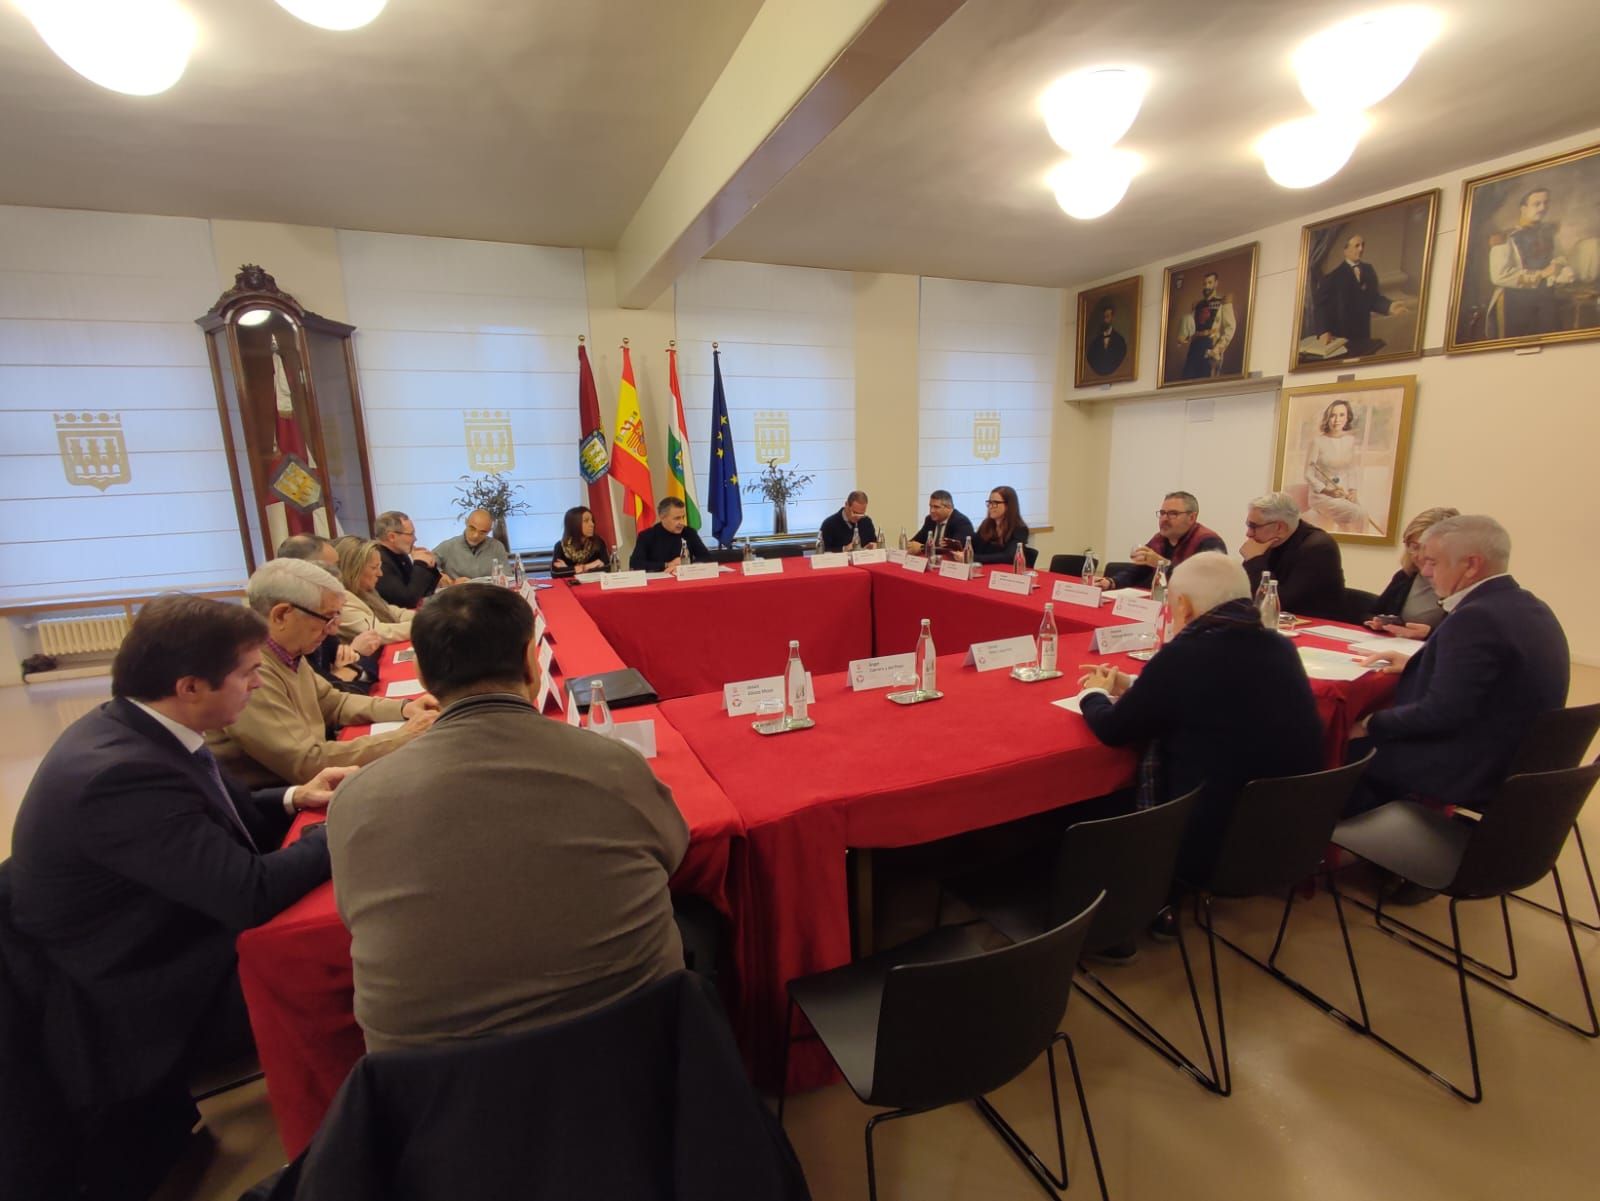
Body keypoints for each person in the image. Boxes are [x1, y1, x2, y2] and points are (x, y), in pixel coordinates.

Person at [7, 595, 351, 1200]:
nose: (257, 684)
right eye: (247, 673)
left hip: (165, 930)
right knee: (341, 960)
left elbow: (211, 820)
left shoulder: (135, 727)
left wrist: (295, 798)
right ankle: (345, 1144)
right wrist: (349, 823)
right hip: (141, 979)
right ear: (190, 686)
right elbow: (249, 893)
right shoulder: (119, 776)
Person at [324, 583, 689, 1053]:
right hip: (636, 1050)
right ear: (531, 664)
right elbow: (673, 854)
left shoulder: (356, 799)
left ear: (422, 675)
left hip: (432, 1081)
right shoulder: (615, 764)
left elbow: (353, 914)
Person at [1077, 553, 1324, 883]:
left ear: (1183, 606)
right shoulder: (1280, 647)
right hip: (1287, 833)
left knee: (1091, 812)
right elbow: (1218, 691)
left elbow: (1114, 729)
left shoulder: (1184, 655)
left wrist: (1092, 693)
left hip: (1208, 842)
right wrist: (1135, 684)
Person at [1349, 515, 1570, 816]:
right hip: (1520, 761)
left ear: (1471, 565)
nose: (1425, 572)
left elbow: (1439, 714)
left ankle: (1339, 837)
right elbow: (1490, 677)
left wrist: (1369, 722)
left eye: (1433, 562)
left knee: (1346, 747)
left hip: (1473, 768)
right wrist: (1419, 663)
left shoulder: (1476, 618)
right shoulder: (1529, 605)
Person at [207, 558, 438, 787]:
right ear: (281, 615)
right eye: (328, 617)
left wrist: (404, 708)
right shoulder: (249, 673)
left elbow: (333, 702)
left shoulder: (287, 651)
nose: (334, 629)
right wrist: (402, 737)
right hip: (280, 799)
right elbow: (307, 763)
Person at [275, 534, 382, 694]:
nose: (334, 628)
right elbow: (336, 694)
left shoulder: (322, 620)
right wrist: (348, 668)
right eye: (334, 566)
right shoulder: (294, 638)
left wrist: (350, 668)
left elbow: (369, 666)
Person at [1240, 490, 1345, 620]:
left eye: (1254, 526)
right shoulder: (1268, 542)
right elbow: (1242, 594)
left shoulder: (1319, 548)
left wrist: (1254, 560)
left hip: (1316, 624)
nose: (1249, 534)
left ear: (1280, 527)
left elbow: (1279, 603)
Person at [1489, 187, 1575, 338]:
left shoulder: (1549, 233)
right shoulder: (1504, 237)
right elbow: (1499, 276)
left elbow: (1560, 257)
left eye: (1546, 203)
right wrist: (1542, 274)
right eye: (1537, 204)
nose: (1543, 208)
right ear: (1523, 208)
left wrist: (1559, 267)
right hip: (1515, 303)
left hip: (1546, 300)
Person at [1363, 505, 1459, 637]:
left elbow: (1466, 637)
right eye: (1415, 547)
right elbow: (1371, 613)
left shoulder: (1463, 587)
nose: (1420, 556)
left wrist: (1429, 634)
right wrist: (1380, 623)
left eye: (1427, 548)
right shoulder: (1405, 576)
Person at [1099, 490, 1226, 589]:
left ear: (1192, 517)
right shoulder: (1159, 539)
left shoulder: (1209, 542)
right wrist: (1111, 582)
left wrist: (1162, 564)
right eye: (1162, 513)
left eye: (1173, 514)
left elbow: (1206, 584)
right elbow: (1138, 570)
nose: (1164, 519)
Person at [1313, 232, 1408, 353]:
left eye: (1362, 245)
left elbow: (1373, 298)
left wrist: (1390, 306)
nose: (1361, 249)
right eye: (1357, 246)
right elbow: (1320, 305)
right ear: (1345, 250)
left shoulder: (1368, 270)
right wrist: (1323, 331)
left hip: (1363, 333)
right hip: (1341, 336)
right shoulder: (1333, 277)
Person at [1303, 398, 1368, 532]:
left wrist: (1353, 491)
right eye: (1333, 415)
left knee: (1362, 514)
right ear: (1327, 418)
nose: (1337, 420)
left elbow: (1352, 469)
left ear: (1347, 417)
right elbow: (1308, 474)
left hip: (1342, 493)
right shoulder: (1317, 442)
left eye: (1341, 415)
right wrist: (1328, 491)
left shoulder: (1350, 441)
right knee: (1358, 513)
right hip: (1321, 496)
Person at [337, 538, 414, 644]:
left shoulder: (366, 591)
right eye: (374, 568)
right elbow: (379, 633)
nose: (380, 574)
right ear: (353, 570)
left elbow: (392, 612)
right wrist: (421, 625)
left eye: (379, 567)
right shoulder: (342, 601)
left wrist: (422, 617)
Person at [374, 510, 441, 609]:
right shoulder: (378, 560)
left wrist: (429, 565)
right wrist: (420, 564)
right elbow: (407, 601)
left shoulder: (401, 554)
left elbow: (426, 592)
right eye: (411, 534)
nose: (415, 539)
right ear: (392, 537)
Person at [1177, 271, 1237, 380]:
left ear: (1216, 283)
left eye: (1210, 283)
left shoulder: (1222, 302)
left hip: (1210, 347)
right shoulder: (1197, 305)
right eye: (1204, 283)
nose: (1207, 286)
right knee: (1187, 380)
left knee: (1205, 381)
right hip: (1194, 348)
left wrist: (1218, 348)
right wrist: (1183, 336)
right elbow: (1190, 328)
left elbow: (1230, 327)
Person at [629, 496, 712, 574]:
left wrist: (686, 565)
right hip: (659, 580)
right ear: (662, 517)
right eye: (677, 518)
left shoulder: (689, 533)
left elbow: (707, 558)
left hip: (684, 578)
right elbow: (635, 564)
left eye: (683, 517)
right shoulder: (647, 536)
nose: (682, 523)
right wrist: (667, 565)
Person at [432, 508, 510, 582]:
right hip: (457, 590)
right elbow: (427, 566)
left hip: (488, 590)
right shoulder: (448, 546)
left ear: (489, 531)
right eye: (472, 528)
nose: (475, 535)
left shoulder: (497, 547)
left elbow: (508, 577)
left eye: (482, 532)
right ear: (466, 522)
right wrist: (446, 580)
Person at [969, 485, 1030, 564]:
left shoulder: (1020, 529)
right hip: (984, 568)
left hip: (1005, 570)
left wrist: (973, 558)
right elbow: (974, 546)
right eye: (989, 502)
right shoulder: (986, 524)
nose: (990, 507)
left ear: (1008, 505)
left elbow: (1009, 557)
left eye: (995, 503)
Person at [907, 489, 974, 555]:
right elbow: (916, 540)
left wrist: (922, 548)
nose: (932, 510)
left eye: (936, 507)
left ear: (949, 507)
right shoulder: (930, 520)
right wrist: (908, 545)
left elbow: (953, 550)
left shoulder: (962, 523)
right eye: (930, 506)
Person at [551, 505, 609, 576]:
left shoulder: (598, 542)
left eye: (592, 520)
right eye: (586, 521)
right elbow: (555, 573)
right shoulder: (560, 546)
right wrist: (588, 566)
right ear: (574, 524)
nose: (592, 524)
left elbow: (607, 567)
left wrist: (568, 569)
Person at [1084, 298, 1128, 377]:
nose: (1105, 320)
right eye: (1103, 317)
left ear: (1112, 318)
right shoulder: (1095, 343)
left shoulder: (1120, 340)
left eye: (1107, 316)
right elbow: (1091, 359)